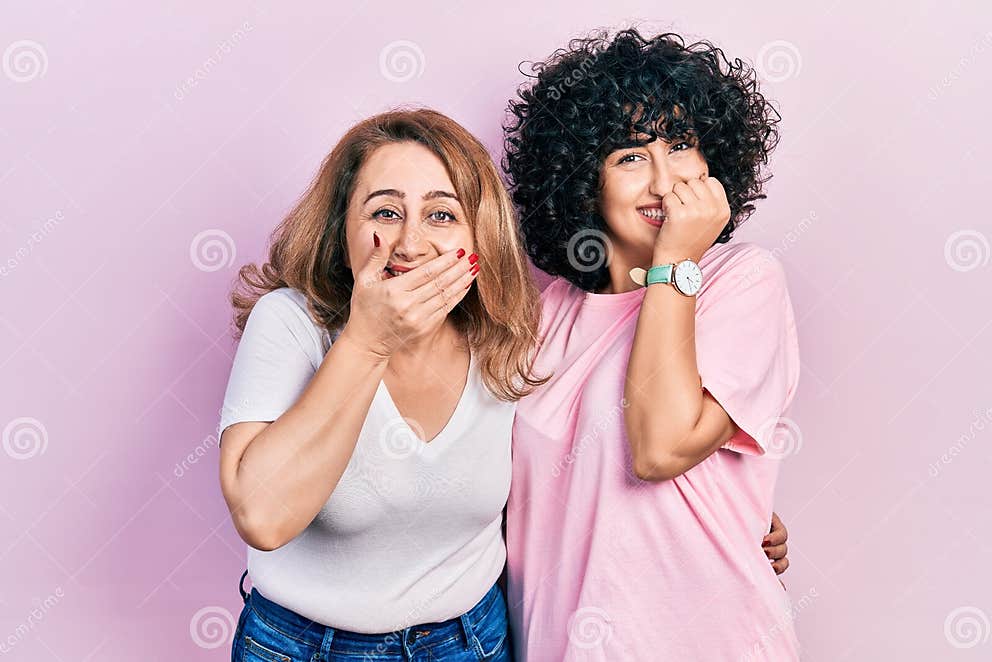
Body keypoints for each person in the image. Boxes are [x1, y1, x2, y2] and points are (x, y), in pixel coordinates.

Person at [503, 28, 802, 660]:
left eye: (681, 144)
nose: (665, 181)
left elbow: (660, 449)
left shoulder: (741, 280)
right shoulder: (543, 313)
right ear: (586, 181)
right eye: (630, 156)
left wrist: (674, 263)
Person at [217, 108, 546, 661]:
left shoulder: (508, 337)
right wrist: (368, 341)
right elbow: (263, 517)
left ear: (480, 234)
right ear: (341, 227)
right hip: (304, 647)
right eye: (386, 212)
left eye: (442, 215)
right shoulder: (291, 323)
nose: (410, 245)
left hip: (470, 642)